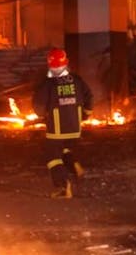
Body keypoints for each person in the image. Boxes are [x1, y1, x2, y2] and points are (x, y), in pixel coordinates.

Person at [32, 48, 94, 199]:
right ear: (66, 63)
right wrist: (85, 114)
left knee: (52, 156)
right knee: (65, 148)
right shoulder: (77, 80)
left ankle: (63, 186)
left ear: (49, 64)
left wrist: (42, 117)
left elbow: (38, 105)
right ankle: (73, 165)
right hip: (74, 127)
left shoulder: (49, 84)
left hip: (56, 128)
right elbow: (89, 97)